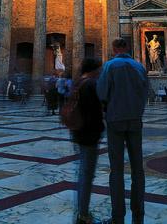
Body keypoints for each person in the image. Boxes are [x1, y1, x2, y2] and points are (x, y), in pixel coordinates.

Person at [96, 38, 150, 224]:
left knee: (116, 169)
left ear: (114, 48)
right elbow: (146, 93)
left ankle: (117, 214)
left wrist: (107, 109)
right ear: (127, 47)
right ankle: (139, 211)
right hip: (135, 120)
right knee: (138, 168)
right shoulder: (139, 66)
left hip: (115, 120)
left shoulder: (109, 66)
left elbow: (102, 93)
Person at [68, 58, 104, 224]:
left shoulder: (78, 82)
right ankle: (83, 214)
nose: (101, 71)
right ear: (94, 69)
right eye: (99, 68)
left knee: (83, 172)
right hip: (89, 132)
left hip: (77, 131)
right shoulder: (91, 84)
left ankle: (82, 211)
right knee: (87, 173)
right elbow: (97, 108)